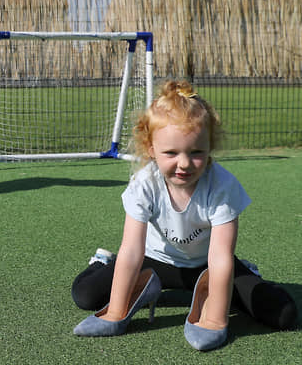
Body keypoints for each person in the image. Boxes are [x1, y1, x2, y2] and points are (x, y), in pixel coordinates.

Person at [71, 80, 297, 350]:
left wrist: (215, 320)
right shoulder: (144, 183)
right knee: (85, 295)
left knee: (283, 313)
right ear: (151, 149)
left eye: (196, 152)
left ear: (209, 146)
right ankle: (101, 262)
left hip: (207, 264)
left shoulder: (222, 186)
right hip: (154, 261)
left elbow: (220, 256)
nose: (185, 164)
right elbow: (132, 250)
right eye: (171, 153)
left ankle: (248, 272)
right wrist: (115, 314)